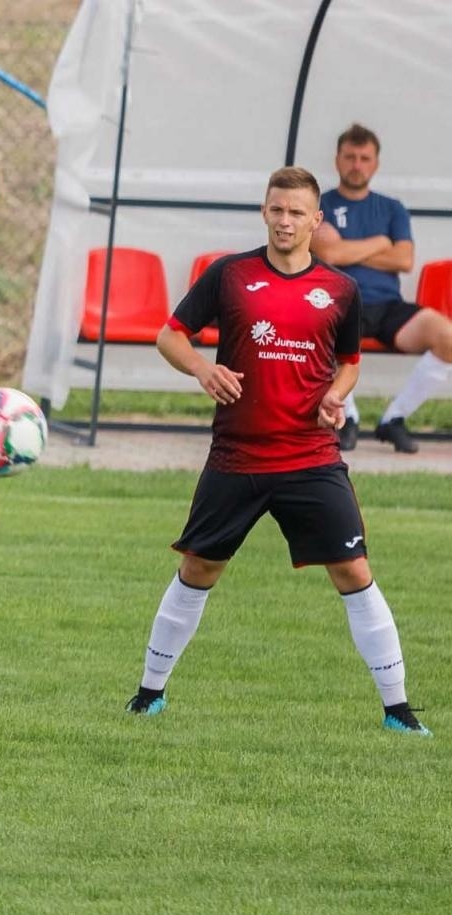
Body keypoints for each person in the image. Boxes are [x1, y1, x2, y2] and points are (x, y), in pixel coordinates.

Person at [124, 166, 430, 737]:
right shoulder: (230, 275)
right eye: (276, 210)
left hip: (311, 456)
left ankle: (399, 710)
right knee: (198, 567)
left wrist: (335, 398)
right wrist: (202, 368)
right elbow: (170, 335)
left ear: (317, 220)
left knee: (353, 569)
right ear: (264, 212)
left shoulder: (341, 289)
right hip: (237, 456)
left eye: (296, 213)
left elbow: (350, 364)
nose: (285, 221)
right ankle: (148, 694)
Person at [312, 123, 452, 454]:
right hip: (340, 301)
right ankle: (349, 418)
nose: (356, 164)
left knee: (447, 337)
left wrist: (347, 247)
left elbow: (404, 259)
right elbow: (328, 253)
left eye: (364, 158)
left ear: (375, 163)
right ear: (337, 160)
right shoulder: (320, 205)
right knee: (318, 326)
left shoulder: (392, 208)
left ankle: (394, 418)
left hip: (388, 304)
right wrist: (379, 242)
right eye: (350, 157)